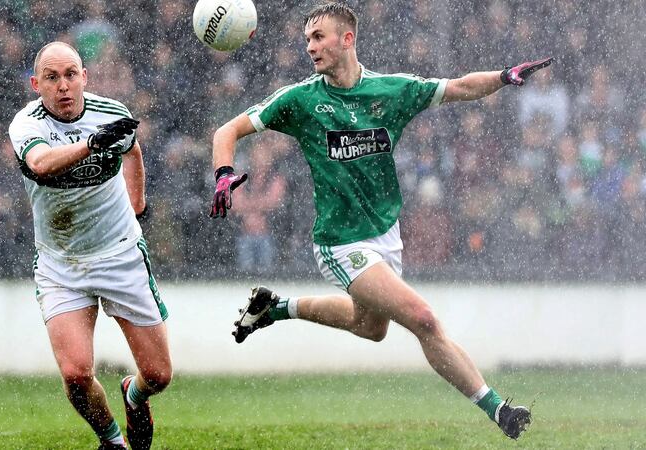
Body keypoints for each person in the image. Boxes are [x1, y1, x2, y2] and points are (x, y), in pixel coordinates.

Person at [209, 3, 552, 441]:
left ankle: (275, 308)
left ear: (347, 39)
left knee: (371, 328)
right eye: (307, 39)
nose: (309, 46)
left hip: (385, 236)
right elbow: (226, 131)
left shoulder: (392, 91)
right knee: (423, 318)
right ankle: (498, 409)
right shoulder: (301, 99)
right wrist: (223, 176)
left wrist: (504, 77)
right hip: (340, 242)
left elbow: (461, 87)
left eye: (319, 37)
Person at [8, 41, 171, 450]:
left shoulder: (112, 113)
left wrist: (138, 205)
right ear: (36, 84)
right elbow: (41, 164)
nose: (63, 86)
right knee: (77, 374)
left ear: (85, 77)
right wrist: (92, 145)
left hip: (120, 254)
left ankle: (134, 395)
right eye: (51, 77)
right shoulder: (27, 124)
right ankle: (112, 441)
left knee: (159, 376)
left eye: (70, 75)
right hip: (61, 263)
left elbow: (132, 149)